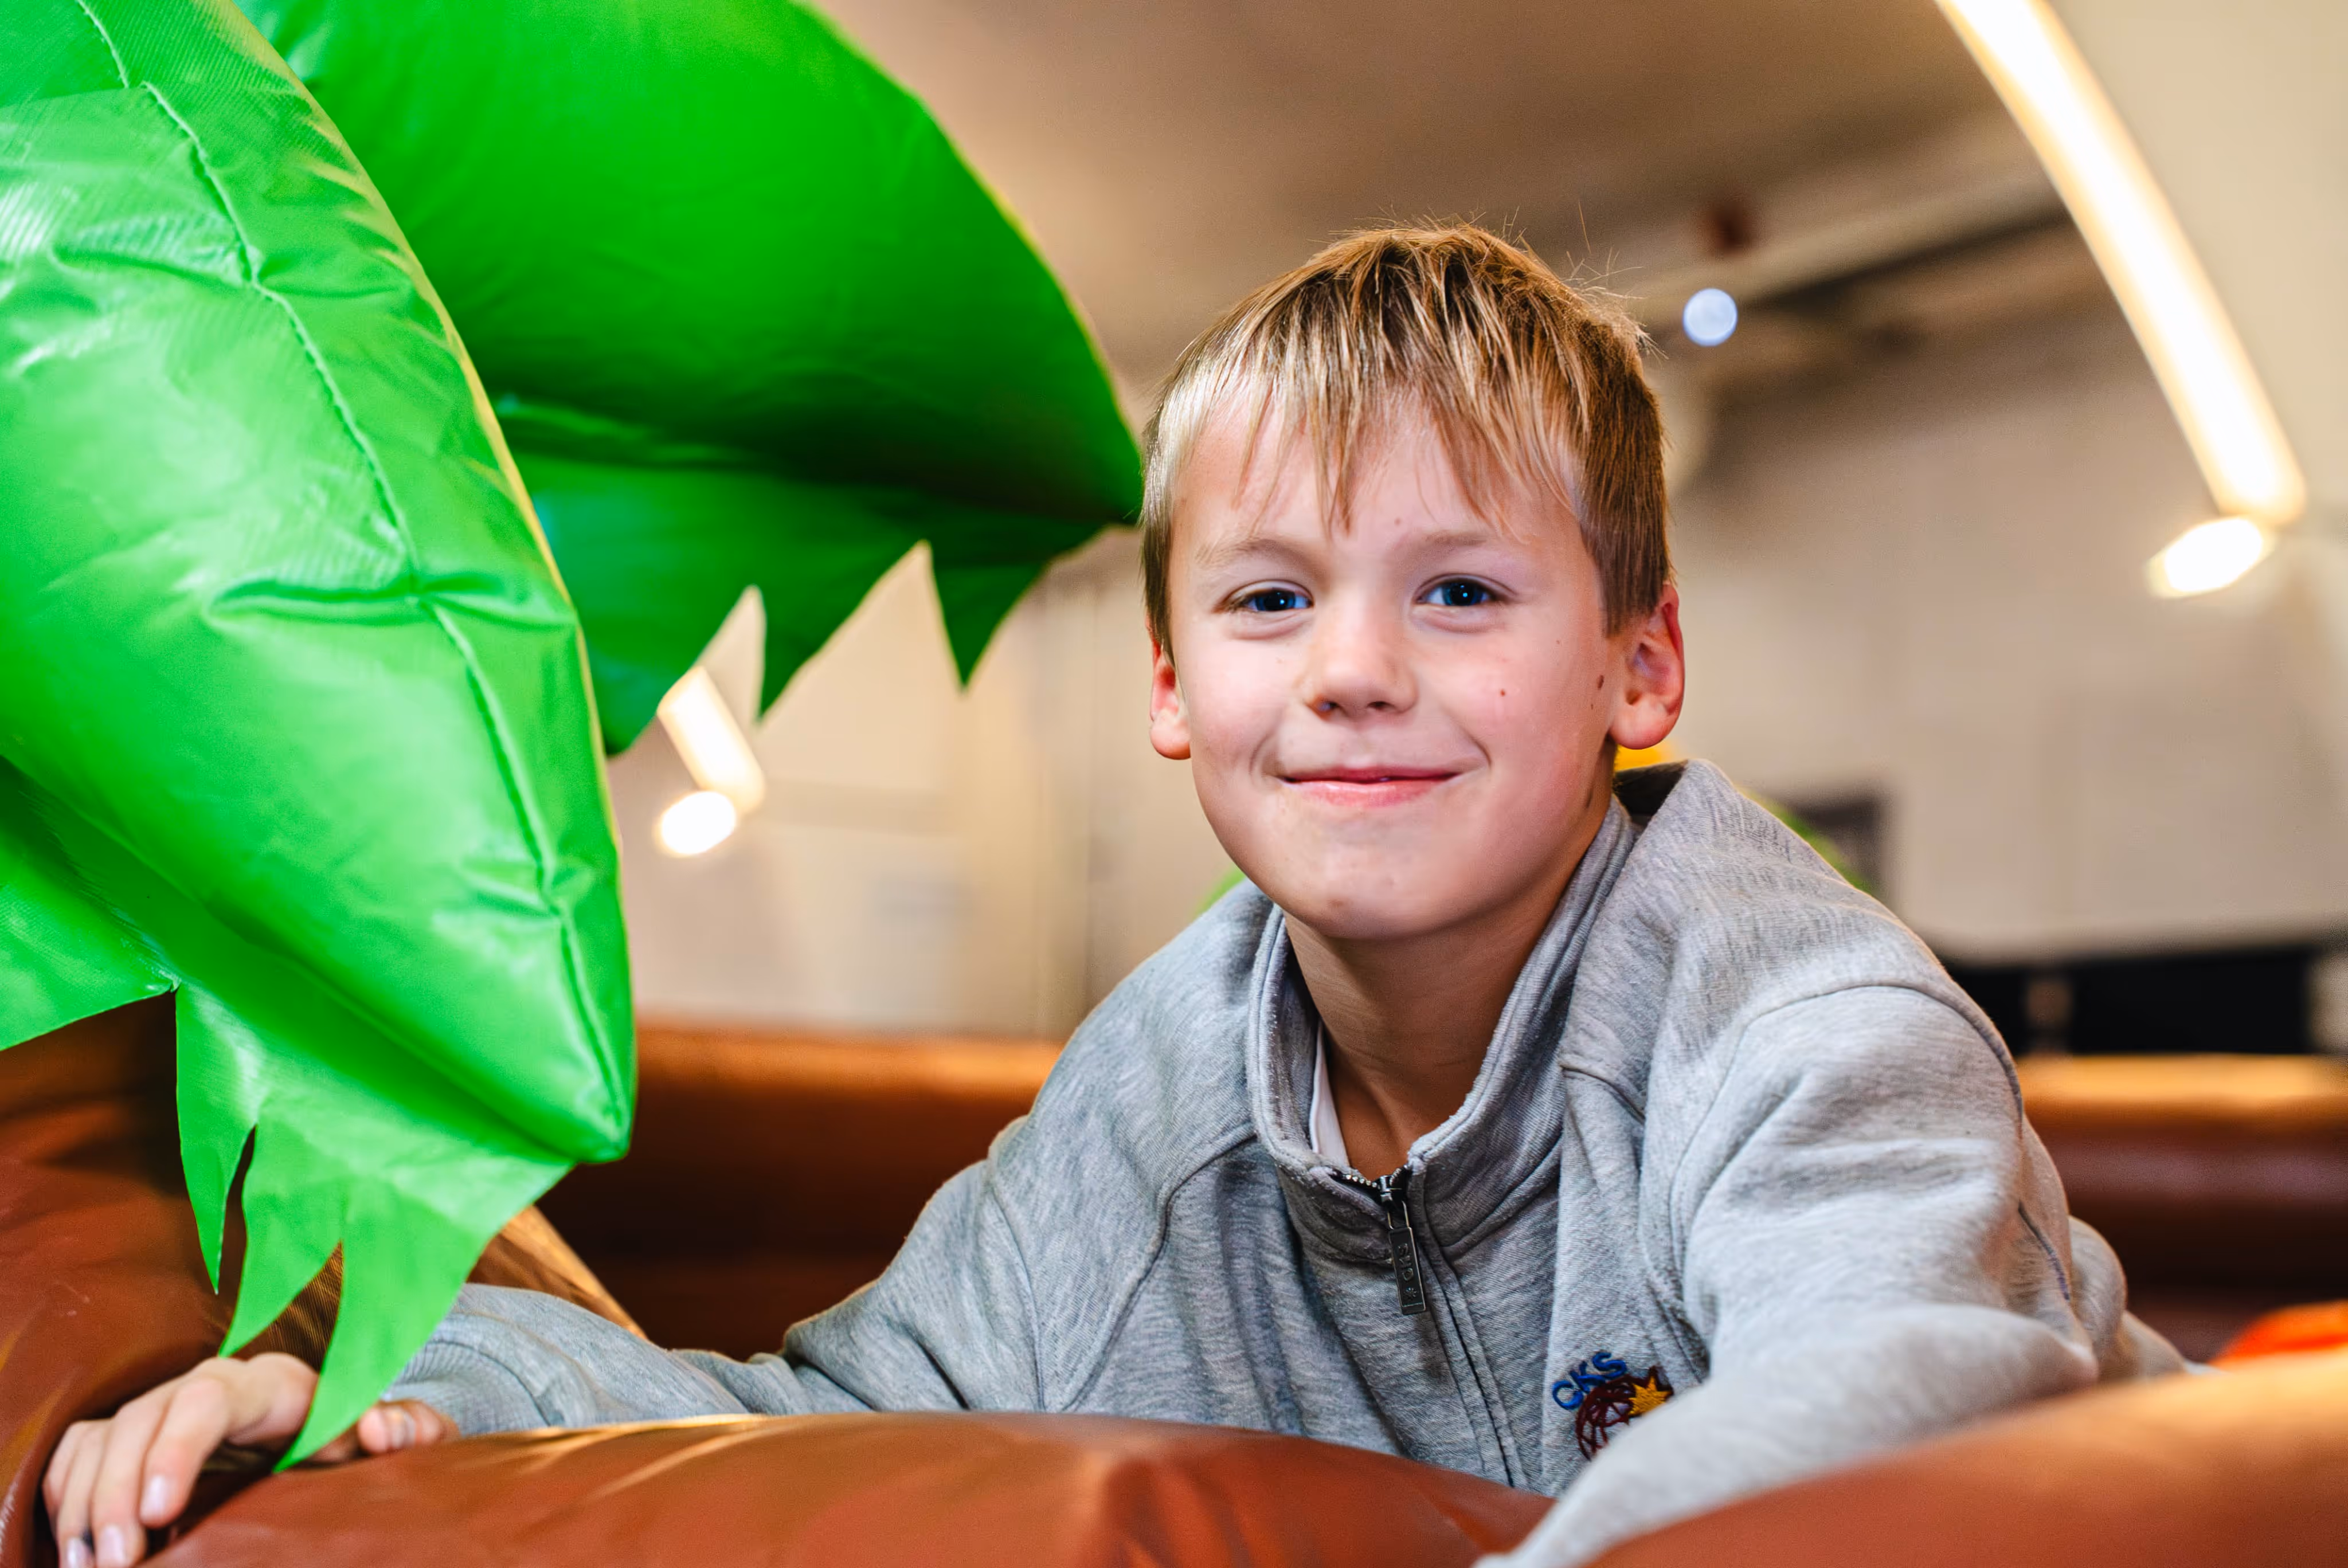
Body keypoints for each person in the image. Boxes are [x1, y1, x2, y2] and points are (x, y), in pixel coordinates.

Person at [45, 225, 2181, 1568]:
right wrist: (381, 1388)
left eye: (1458, 590)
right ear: (1170, 688)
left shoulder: (1800, 1022)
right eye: (1271, 599)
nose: (1353, 667)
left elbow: (1903, 1410)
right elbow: (840, 1416)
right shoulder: (1161, 1088)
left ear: (1640, 669)